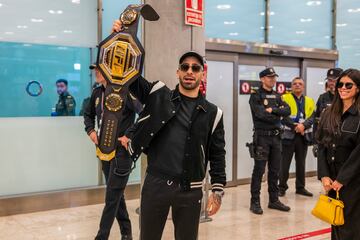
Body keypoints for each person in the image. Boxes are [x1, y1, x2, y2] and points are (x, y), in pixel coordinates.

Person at [112, 20, 226, 240]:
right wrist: (119, 40)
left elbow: (217, 154)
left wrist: (217, 190)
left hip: (190, 189)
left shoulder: (213, 113)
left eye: (196, 68)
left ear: (203, 74)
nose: (190, 71)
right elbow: (130, 75)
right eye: (185, 67)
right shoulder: (158, 94)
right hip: (156, 183)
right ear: (178, 72)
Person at [84, 64, 141, 240]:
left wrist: (129, 135)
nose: (97, 72)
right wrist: (90, 131)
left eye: (100, 69)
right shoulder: (96, 93)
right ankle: (126, 232)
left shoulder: (125, 91)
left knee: (111, 198)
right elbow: (88, 114)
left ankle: (102, 236)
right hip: (103, 151)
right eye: (95, 69)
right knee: (115, 194)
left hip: (121, 153)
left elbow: (145, 114)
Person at [317, 68, 360, 239]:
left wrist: (343, 178)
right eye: (340, 84)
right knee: (336, 221)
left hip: (353, 180)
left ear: (358, 88)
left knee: (351, 226)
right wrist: (324, 175)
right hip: (332, 179)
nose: (343, 88)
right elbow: (321, 144)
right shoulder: (329, 112)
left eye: (348, 85)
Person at [248, 67, 291, 215]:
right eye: (269, 77)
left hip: (276, 138)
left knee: (274, 171)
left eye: (274, 77)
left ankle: (273, 200)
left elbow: (287, 111)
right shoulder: (255, 96)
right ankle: (255, 202)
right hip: (262, 138)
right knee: (259, 171)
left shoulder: (278, 95)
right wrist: (277, 114)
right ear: (262, 79)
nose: (273, 79)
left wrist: (272, 111)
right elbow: (260, 115)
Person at [279, 77, 315, 197]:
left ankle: (300, 187)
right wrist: (295, 126)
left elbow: (312, 117)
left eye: (300, 84)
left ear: (303, 87)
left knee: (301, 163)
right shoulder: (284, 98)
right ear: (291, 86)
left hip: (302, 136)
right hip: (288, 136)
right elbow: (282, 116)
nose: (297, 85)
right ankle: (281, 187)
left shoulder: (310, 101)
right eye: (295, 84)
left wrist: (303, 126)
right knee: (284, 164)